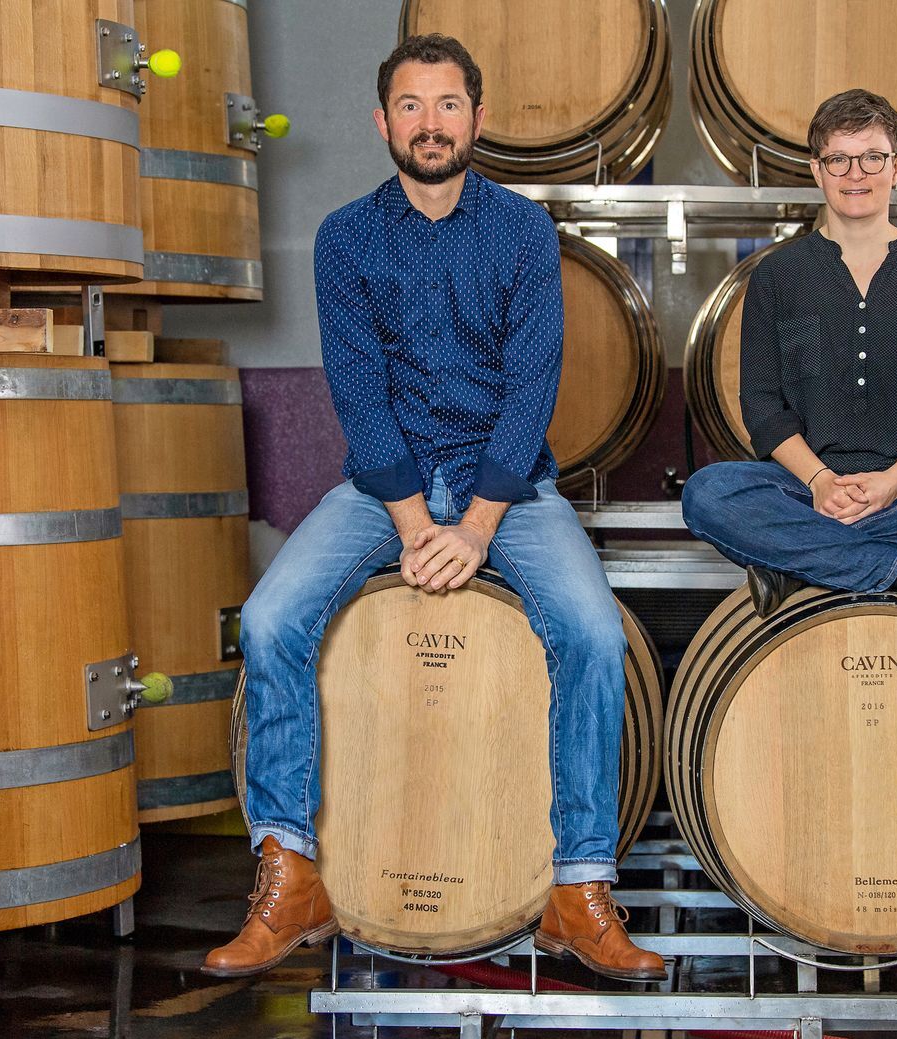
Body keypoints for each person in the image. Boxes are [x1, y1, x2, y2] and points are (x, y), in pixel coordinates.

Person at [202, 34, 666, 983]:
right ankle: (290, 875)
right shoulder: (346, 237)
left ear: (477, 119)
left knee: (592, 632)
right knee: (270, 618)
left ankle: (578, 891)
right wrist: (417, 524)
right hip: (384, 487)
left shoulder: (524, 232)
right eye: (410, 106)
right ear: (383, 123)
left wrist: (479, 526)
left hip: (510, 487)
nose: (430, 124)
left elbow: (531, 392)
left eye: (447, 104)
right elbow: (360, 395)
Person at [681, 89, 897, 623]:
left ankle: (797, 565)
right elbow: (763, 408)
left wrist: (891, 483)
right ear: (817, 170)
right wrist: (821, 482)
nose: (856, 174)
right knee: (707, 494)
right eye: (839, 159)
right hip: (802, 489)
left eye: (872, 158)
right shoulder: (777, 276)